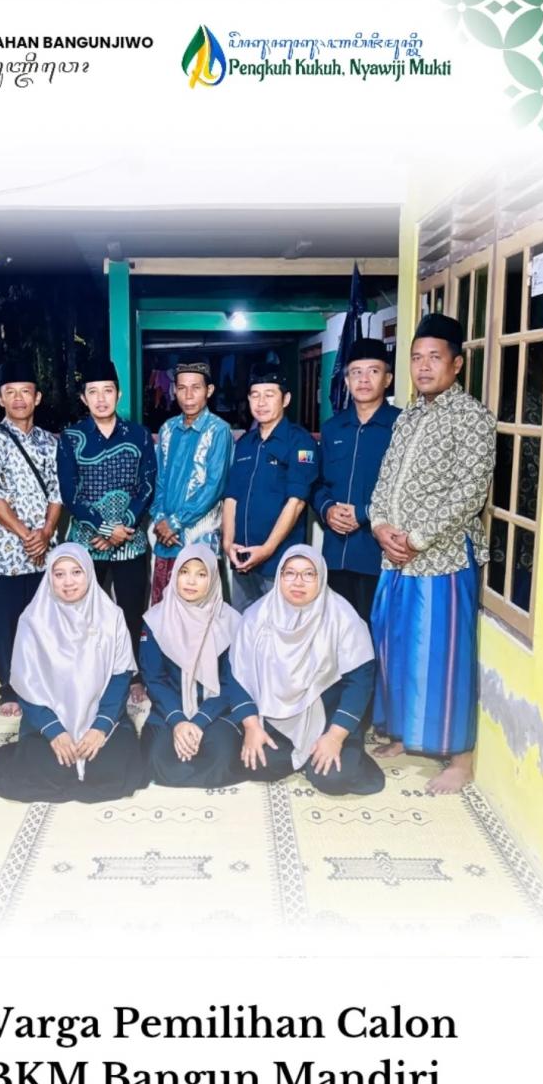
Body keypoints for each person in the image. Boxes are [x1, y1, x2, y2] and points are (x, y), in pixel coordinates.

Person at [367, 313, 497, 794]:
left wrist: (417, 538)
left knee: (444, 655)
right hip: (394, 557)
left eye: (434, 358)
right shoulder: (407, 417)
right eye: (416, 358)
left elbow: (470, 491)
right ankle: (406, 734)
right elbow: (385, 481)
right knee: (395, 648)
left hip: (441, 559)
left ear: (456, 364)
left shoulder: (472, 417)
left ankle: (459, 758)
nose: (423, 367)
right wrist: (380, 525)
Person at [0, 543, 142, 802]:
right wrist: (55, 731)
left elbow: (119, 677)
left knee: (110, 769)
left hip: (100, 715)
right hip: (47, 720)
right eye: (59, 574)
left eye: (76, 572)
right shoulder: (33, 620)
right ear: (49, 577)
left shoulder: (111, 617)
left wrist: (100, 727)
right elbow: (26, 685)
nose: (68, 582)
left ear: (89, 573)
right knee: (49, 772)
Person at [230, 546, 385, 796]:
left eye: (308, 574)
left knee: (333, 778)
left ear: (321, 577)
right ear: (279, 576)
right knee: (257, 765)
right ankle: (297, 753)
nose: (298, 582)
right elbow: (236, 675)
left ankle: (335, 750)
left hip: (329, 718)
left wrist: (335, 737)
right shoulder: (256, 616)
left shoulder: (343, 617)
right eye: (290, 573)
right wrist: (251, 727)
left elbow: (360, 682)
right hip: (275, 718)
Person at [58, 358, 156, 702]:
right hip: (87, 543)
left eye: (108, 391)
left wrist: (122, 526)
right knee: (85, 612)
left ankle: (132, 674)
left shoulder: (139, 435)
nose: (101, 399)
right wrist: (101, 528)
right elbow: (70, 494)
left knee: (131, 610)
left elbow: (147, 486)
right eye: (93, 392)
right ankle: (89, 673)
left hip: (130, 541)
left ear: (119, 394)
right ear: (83, 398)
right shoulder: (71, 438)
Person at [0, 358, 62, 716]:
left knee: (44, 621)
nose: (19, 398)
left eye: (25, 392)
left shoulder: (49, 442)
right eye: (10, 392)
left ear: (37, 397)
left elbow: (57, 492)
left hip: (44, 551)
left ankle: (42, 684)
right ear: (0, 399)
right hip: (4, 553)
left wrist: (46, 532)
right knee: (5, 623)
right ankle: (10, 688)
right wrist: (28, 535)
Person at [140, 545, 256, 787]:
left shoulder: (232, 621)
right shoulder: (155, 619)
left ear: (213, 578)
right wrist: (179, 721)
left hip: (216, 711)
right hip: (169, 711)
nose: (191, 581)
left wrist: (199, 721)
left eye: (201, 574)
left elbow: (231, 682)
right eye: (184, 572)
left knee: (221, 759)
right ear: (175, 575)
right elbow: (154, 679)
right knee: (159, 761)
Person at [311, 337, 400, 624]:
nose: (363, 379)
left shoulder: (402, 426)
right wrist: (327, 509)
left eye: (373, 371)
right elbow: (316, 483)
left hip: (379, 554)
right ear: (347, 381)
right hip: (336, 553)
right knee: (338, 631)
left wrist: (362, 512)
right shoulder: (333, 428)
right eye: (356, 372)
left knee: (378, 632)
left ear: (387, 379)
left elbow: (407, 491)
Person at [222, 365, 317, 610]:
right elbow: (231, 497)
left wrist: (267, 549)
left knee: (281, 626)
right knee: (244, 624)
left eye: (269, 394)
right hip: (242, 557)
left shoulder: (300, 442)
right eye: (255, 395)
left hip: (279, 562)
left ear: (286, 399)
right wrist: (227, 543)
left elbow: (296, 503)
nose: (261, 402)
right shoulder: (245, 443)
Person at [149, 360, 233, 605]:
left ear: (209, 390)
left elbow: (214, 487)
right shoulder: (167, 429)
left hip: (199, 534)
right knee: (165, 609)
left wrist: (175, 523)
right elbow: (160, 479)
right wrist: (160, 520)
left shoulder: (219, 430)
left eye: (196, 388)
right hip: (166, 536)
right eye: (182, 388)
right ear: (174, 390)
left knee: (198, 609)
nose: (188, 395)